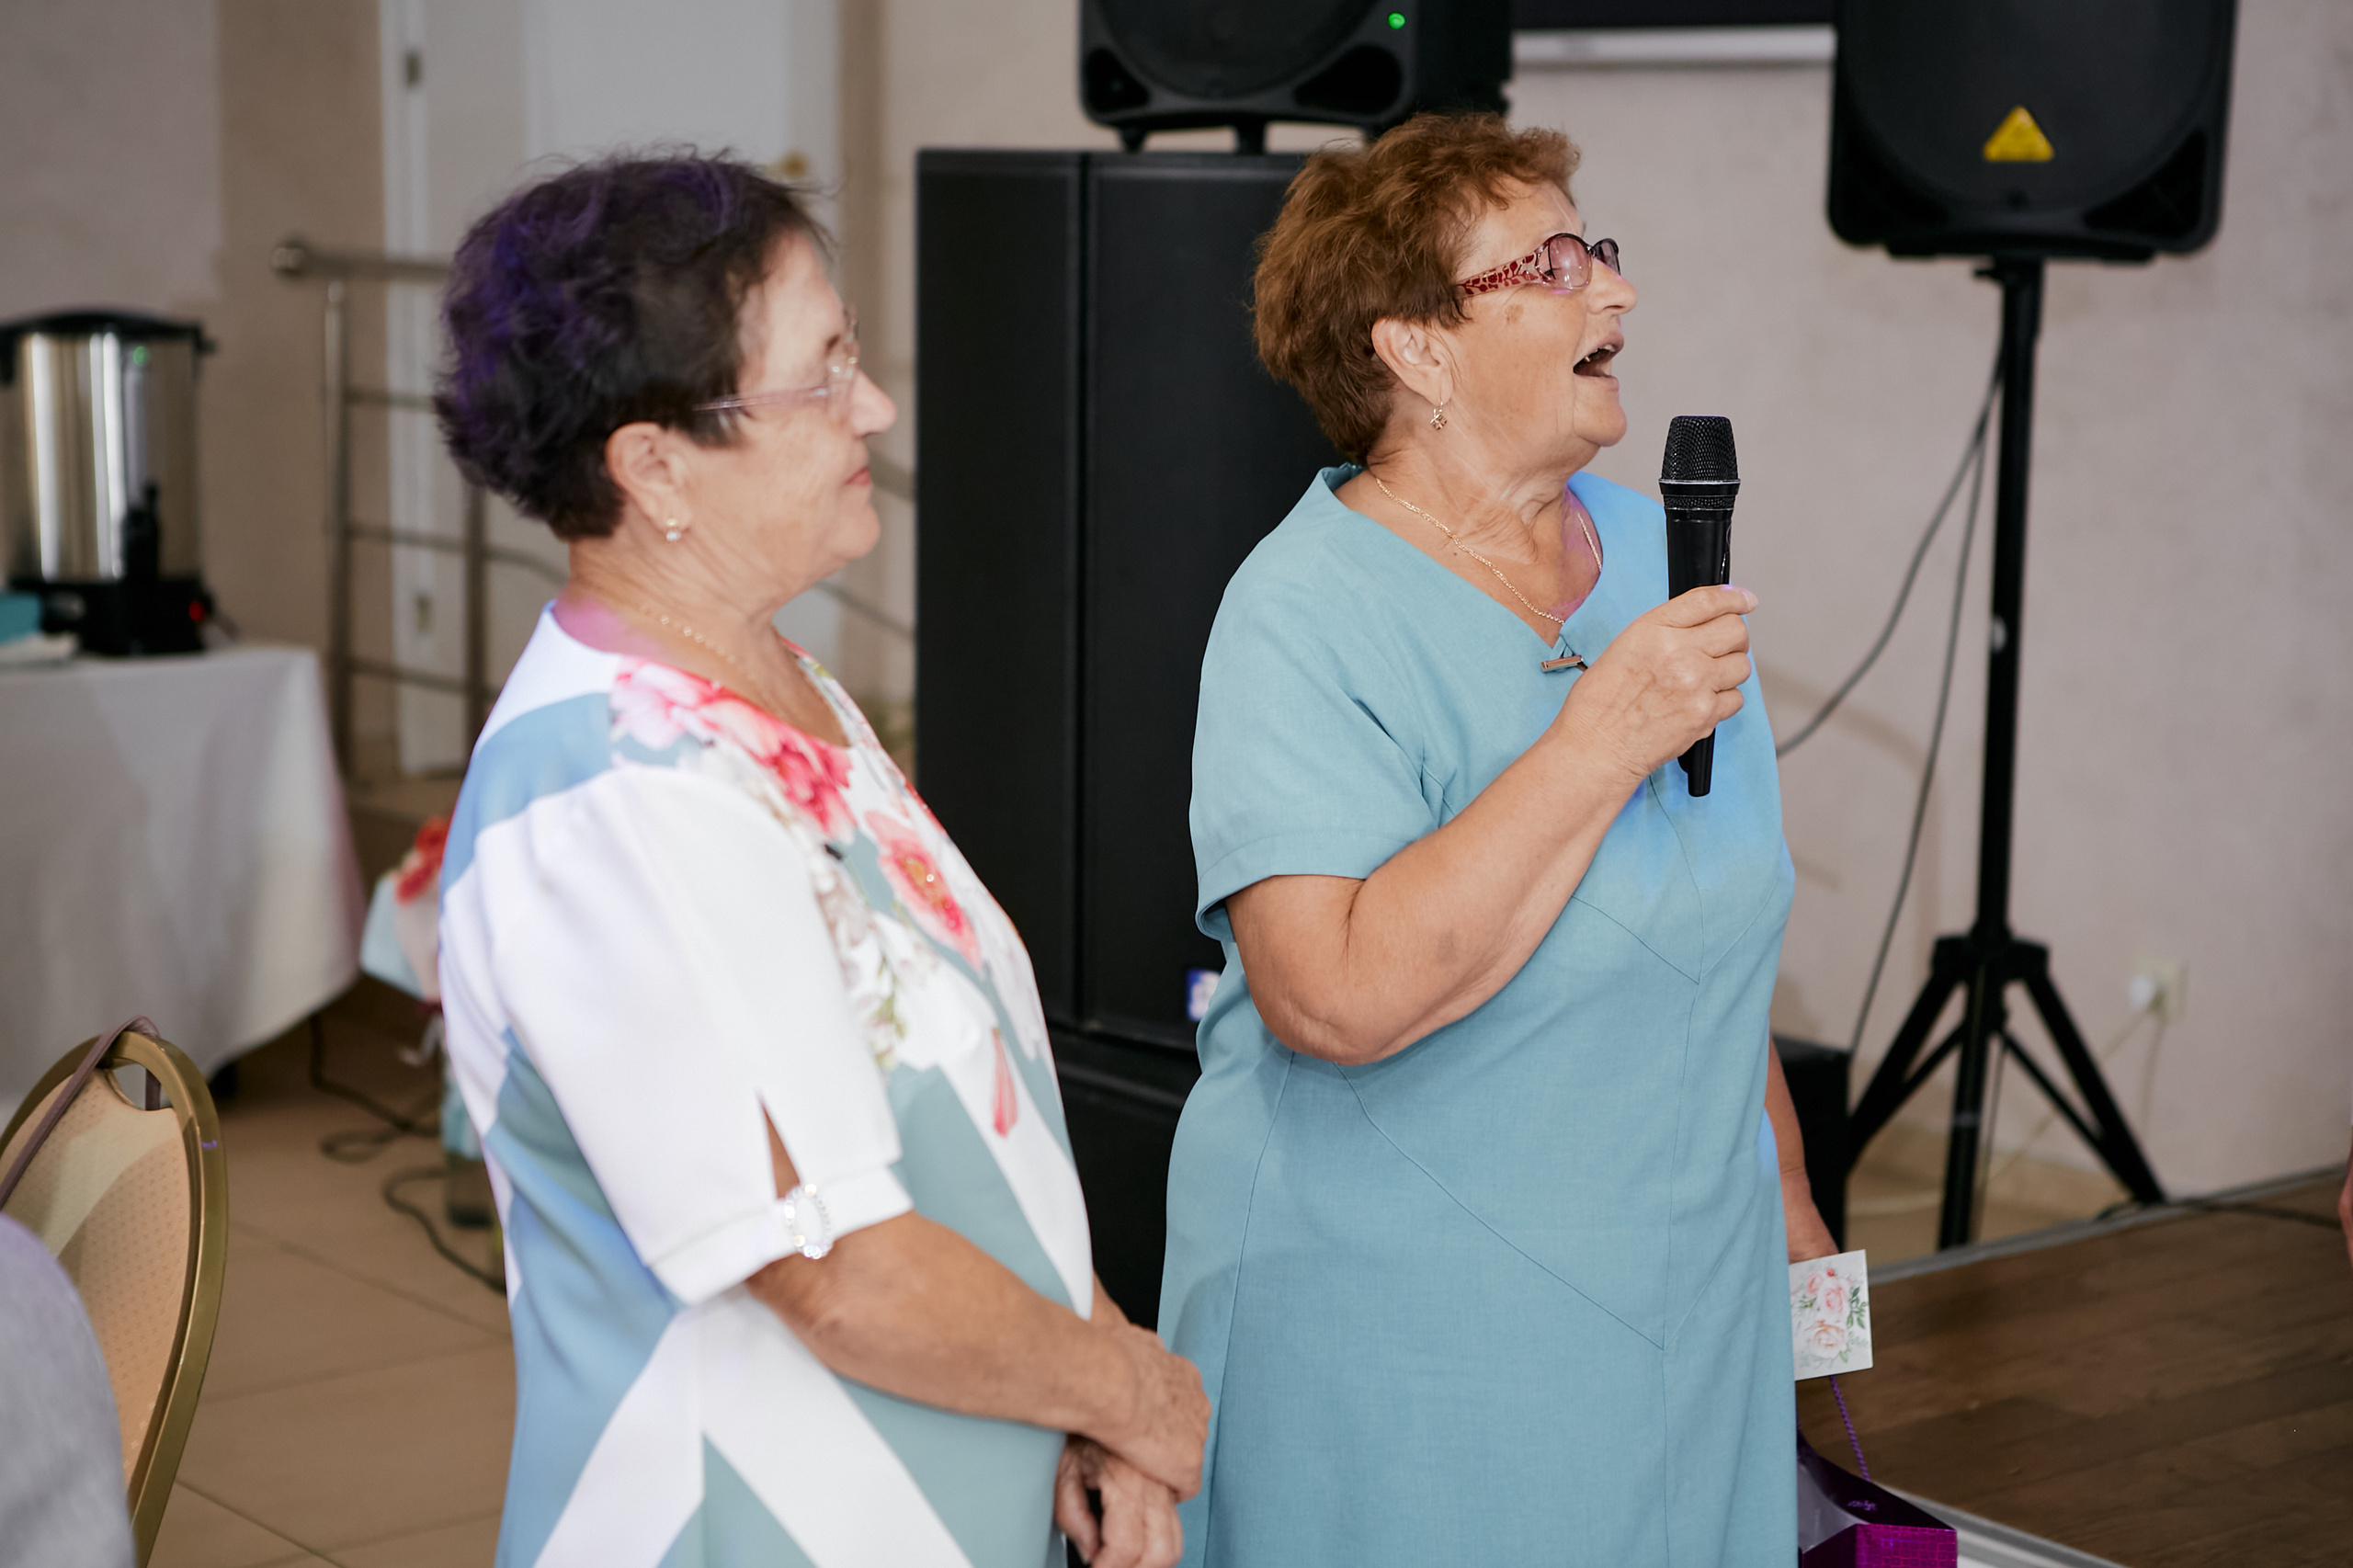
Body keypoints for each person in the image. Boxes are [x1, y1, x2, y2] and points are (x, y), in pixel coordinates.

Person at [433, 155, 1204, 1568]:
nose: (877, 406)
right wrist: (1137, 1389)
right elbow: (838, 1272)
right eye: (822, 374)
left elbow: (967, 1117)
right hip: (758, 1519)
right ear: (654, 462)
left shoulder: (778, 683)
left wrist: (1085, 1367)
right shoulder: (615, 798)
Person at [1162, 115, 1836, 1567]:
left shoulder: (1664, 553)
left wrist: (1785, 1192)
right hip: (1406, 1338)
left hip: (1686, 1297)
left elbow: (1708, 919)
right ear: (1417, 349)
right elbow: (1330, 993)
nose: (1615, 290)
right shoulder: (1301, 615)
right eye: (1553, 261)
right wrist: (1601, 738)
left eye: (1599, 245)